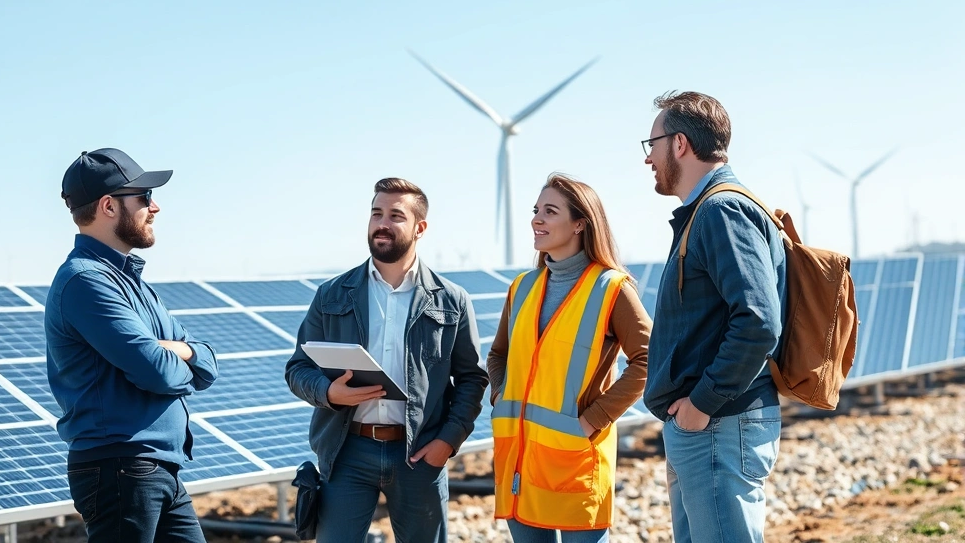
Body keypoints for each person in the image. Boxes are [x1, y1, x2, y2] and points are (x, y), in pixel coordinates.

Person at [285, 177, 488, 543]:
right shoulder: (331, 294)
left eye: (396, 215)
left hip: (419, 455)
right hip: (346, 452)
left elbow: (473, 379)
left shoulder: (451, 300)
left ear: (419, 228)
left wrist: (448, 441)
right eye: (376, 213)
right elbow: (298, 368)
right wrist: (328, 392)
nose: (382, 223)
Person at [45, 148, 219, 543]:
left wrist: (184, 351)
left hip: (156, 469)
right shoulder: (86, 282)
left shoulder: (133, 283)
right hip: (120, 469)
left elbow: (208, 362)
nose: (154, 207)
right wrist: (172, 354)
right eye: (143, 197)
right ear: (108, 206)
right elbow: (155, 370)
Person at [641, 92, 786, 543]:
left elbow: (759, 322)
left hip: (717, 425)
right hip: (708, 427)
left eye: (652, 145)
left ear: (679, 144)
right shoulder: (709, 211)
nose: (648, 159)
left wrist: (700, 406)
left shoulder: (721, 211)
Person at [487, 173, 650, 543]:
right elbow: (498, 355)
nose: (536, 219)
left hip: (575, 461)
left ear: (580, 223)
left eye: (550, 211)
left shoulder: (612, 287)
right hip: (520, 463)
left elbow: (649, 360)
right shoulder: (522, 287)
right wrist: (500, 395)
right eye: (535, 210)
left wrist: (593, 420)